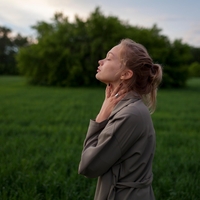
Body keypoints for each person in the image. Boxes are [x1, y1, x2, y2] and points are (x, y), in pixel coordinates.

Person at [78, 38, 162, 200]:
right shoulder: (126, 108)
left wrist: (100, 118)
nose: (100, 61)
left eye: (109, 58)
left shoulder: (130, 114)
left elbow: (88, 167)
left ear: (126, 74)